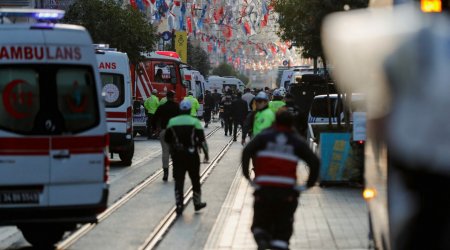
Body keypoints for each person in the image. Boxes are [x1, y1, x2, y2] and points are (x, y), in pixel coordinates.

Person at [241, 109, 320, 250]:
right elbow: (314, 162)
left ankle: (262, 237)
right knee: (283, 228)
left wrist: (247, 176)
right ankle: (280, 243)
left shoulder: (264, 137)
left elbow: (247, 151)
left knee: (260, 223)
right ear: (292, 123)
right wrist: (308, 184)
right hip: (286, 192)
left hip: (264, 189)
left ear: (275, 120)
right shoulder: (296, 140)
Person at [164, 100, 209, 215]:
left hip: (178, 155)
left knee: (179, 180)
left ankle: (179, 204)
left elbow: (167, 139)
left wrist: (172, 150)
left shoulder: (172, 122)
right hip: (192, 155)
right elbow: (202, 140)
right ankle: (197, 203)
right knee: (195, 179)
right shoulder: (195, 122)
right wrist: (206, 153)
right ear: (189, 110)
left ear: (180, 109)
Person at [153, 90, 179, 181]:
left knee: (165, 152)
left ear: (166, 97)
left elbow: (154, 118)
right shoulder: (177, 107)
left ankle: (165, 173)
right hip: (175, 132)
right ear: (173, 97)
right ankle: (175, 173)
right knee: (175, 153)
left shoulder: (162, 107)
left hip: (164, 131)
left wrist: (156, 129)